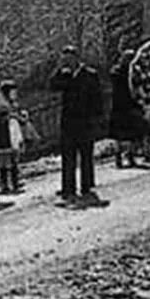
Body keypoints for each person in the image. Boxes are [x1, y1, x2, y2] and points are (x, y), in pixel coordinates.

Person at [50, 45, 104, 204]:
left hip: (85, 120)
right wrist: (59, 70)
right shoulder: (64, 76)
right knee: (68, 156)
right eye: (64, 59)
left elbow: (97, 98)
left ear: (76, 58)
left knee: (86, 155)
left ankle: (86, 185)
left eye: (69, 58)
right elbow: (52, 85)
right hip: (68, 121)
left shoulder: (89, 75)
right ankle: (68, 187)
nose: (67, 62)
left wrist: (96, 118)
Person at [0, 80, 33, 194]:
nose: (15, 94)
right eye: (13, 91)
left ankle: (14, 182)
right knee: (5, 160)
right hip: (5, 135)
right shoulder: (0, 106)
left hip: (13, 134)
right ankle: (6, 184)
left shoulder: (12, 105)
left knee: (13, 159)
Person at [108, 49, 145, 168]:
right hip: (122, 105)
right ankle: (120, 156)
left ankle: (128, 156)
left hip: (127, 105)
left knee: (130, 134)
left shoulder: (131, 71)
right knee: (123, 134)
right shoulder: (119, 71)